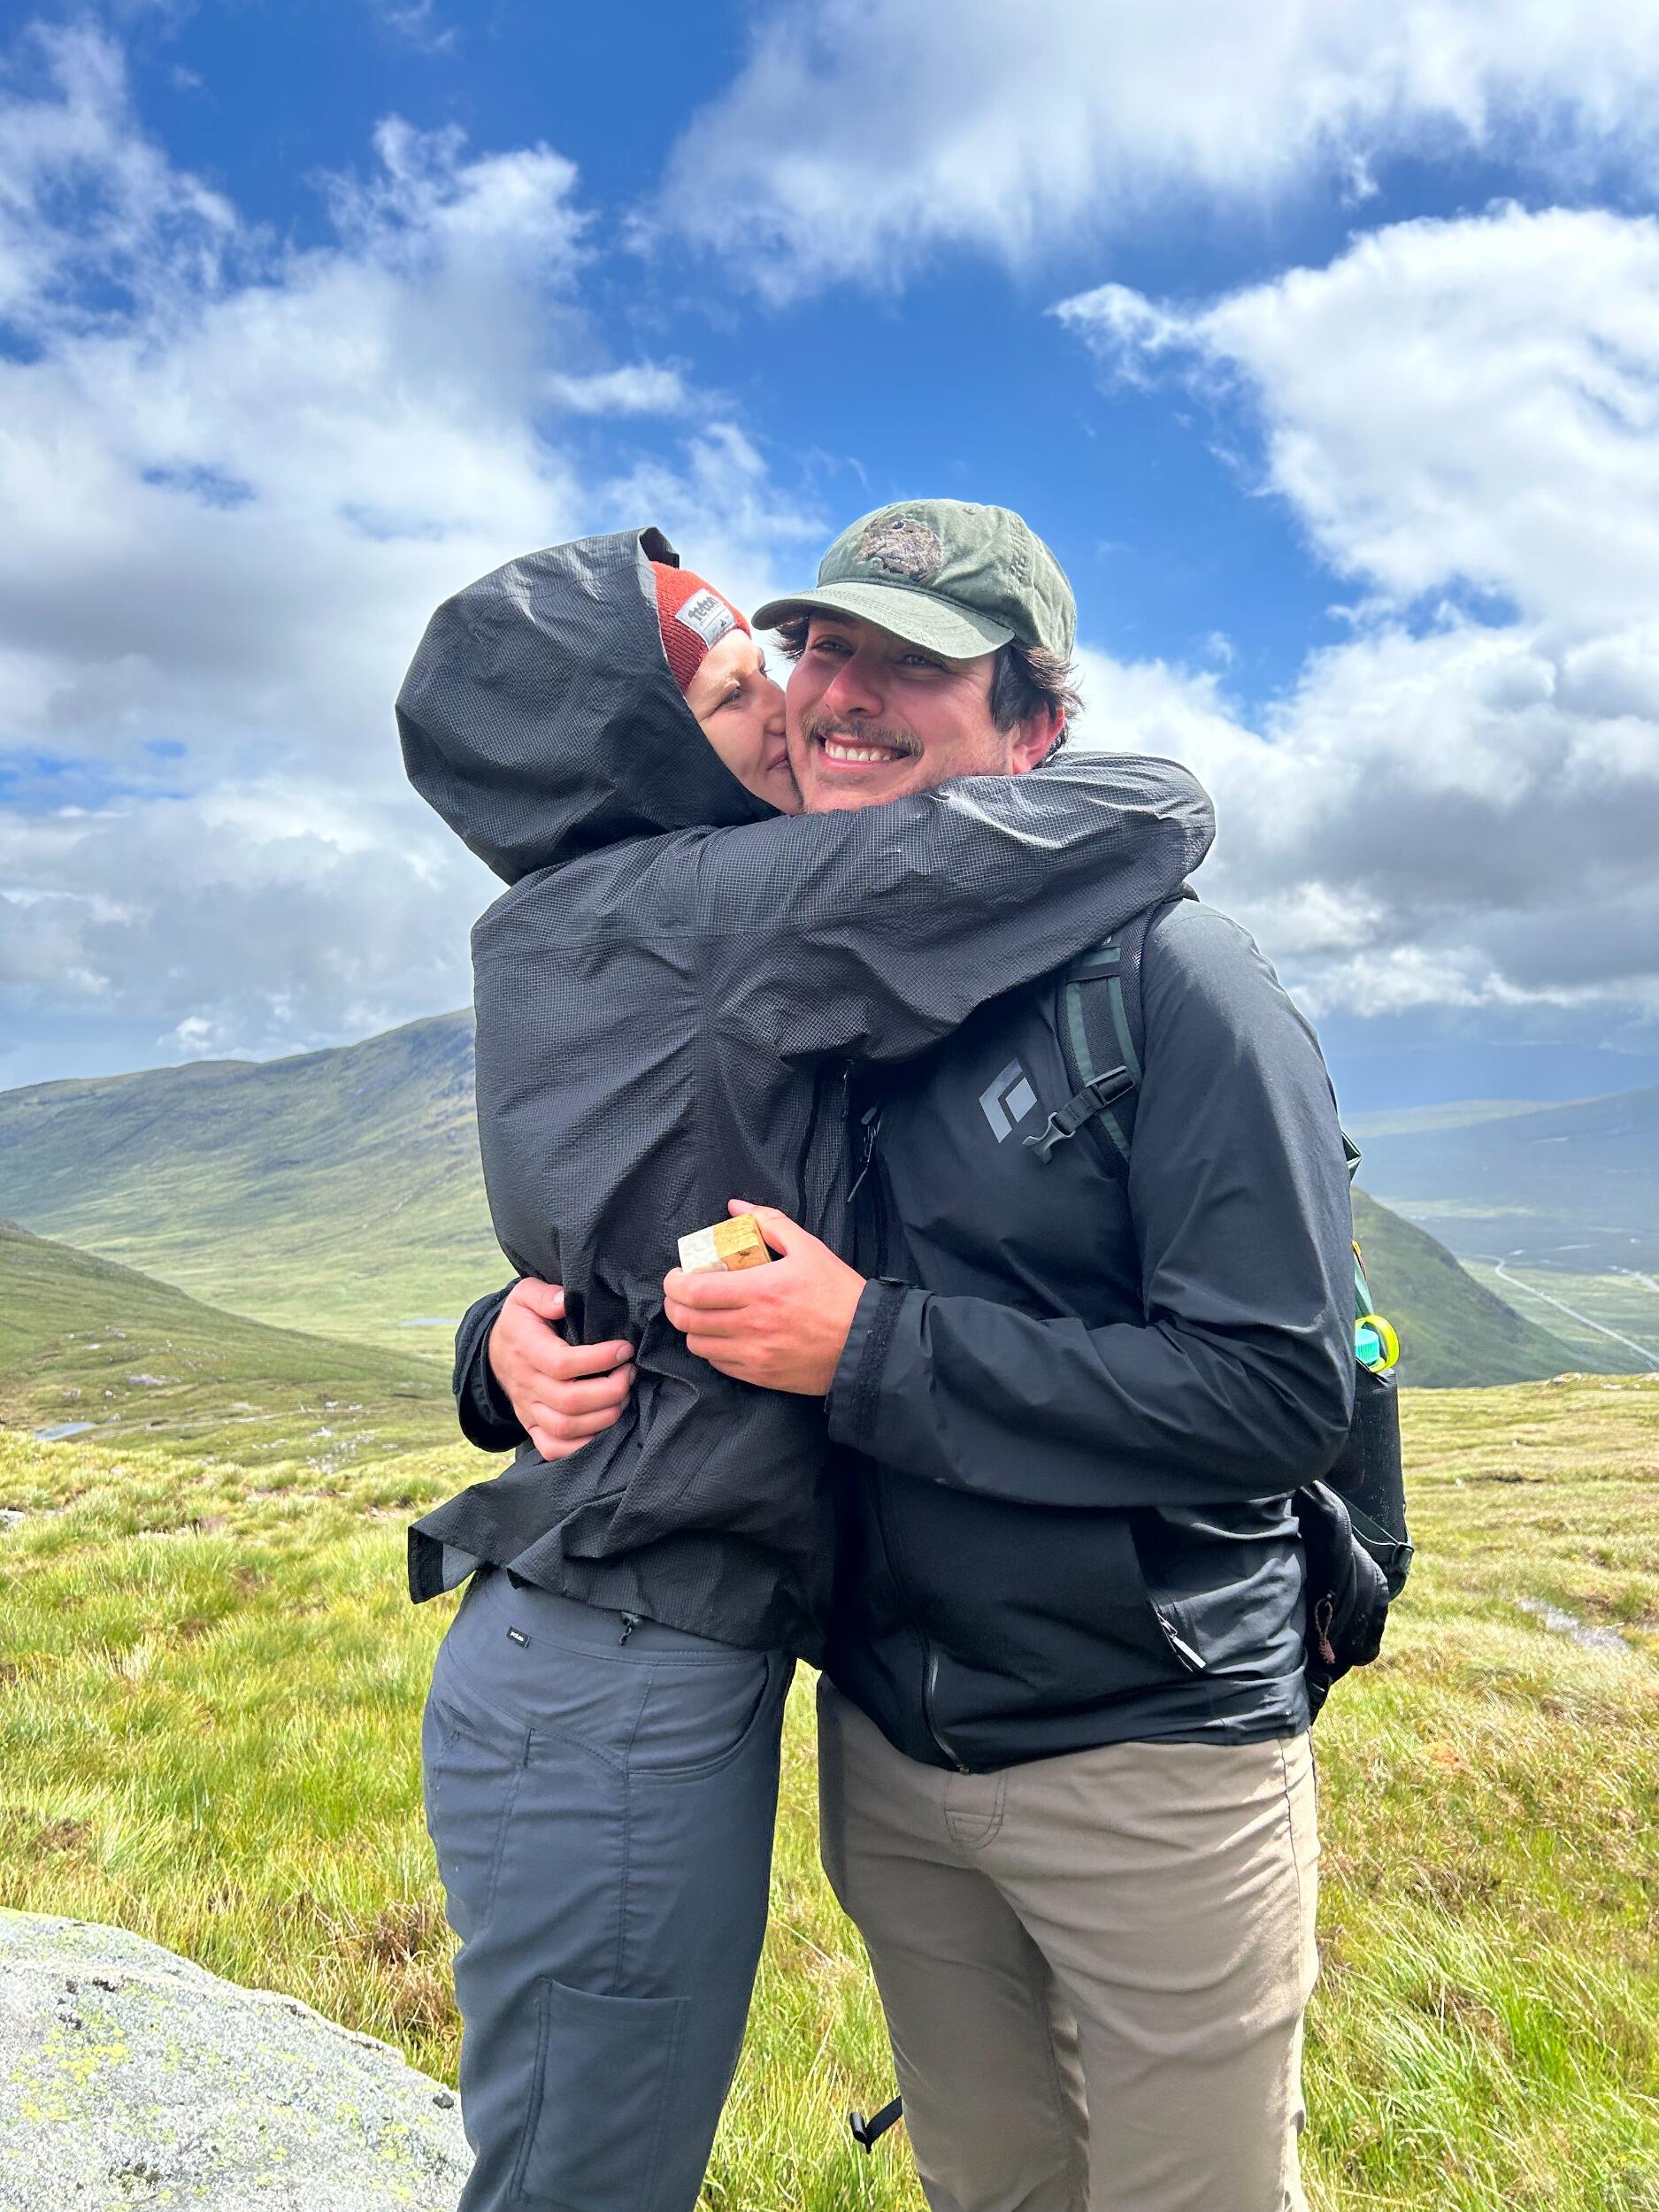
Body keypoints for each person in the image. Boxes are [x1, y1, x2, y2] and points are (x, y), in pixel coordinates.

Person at [465, 500, 1356, 2212]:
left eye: (915, 665)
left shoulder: (1176, 984)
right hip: (889, 1748)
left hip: (1149, 1748)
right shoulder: (822, 970)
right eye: (825, 648)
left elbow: (1276, 1394)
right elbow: (650, 1226)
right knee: (990, 2188)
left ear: (1034, 725)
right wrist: (497, 1342)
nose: (842, 693)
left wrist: (867, 1347)